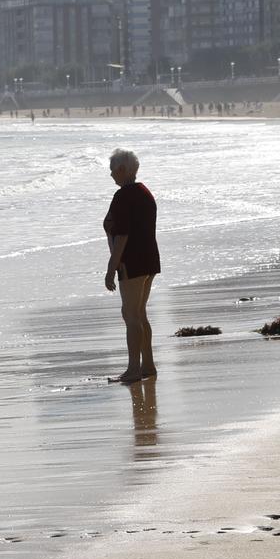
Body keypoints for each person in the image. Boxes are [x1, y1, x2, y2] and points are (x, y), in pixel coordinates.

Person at [102, 148, 158, 384]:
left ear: (123, 169)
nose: (111, 175)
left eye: (113, 170)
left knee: (130, 315)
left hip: (132, 261)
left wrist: (111, 268)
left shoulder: (123, 196)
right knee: (140, 313)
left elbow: (123, 235)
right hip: (150, 259)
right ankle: (147, 365)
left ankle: (134, 369)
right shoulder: (145, 192)